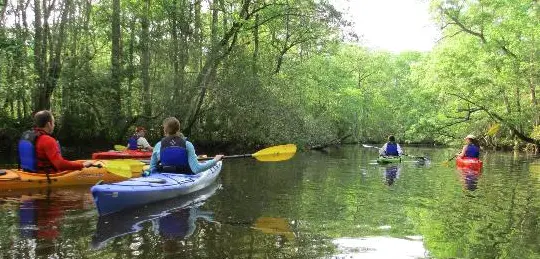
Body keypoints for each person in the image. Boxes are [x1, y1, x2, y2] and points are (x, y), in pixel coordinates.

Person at [18, 110, 92, 173]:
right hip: (47, 176)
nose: (54, 125)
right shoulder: (47, 140)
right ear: (48, 124)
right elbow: (60, 165)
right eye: (53, 123)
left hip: (28, 173)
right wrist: (82, 165)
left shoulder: (29, 136)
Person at [149, 117, 223, 174]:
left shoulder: (159, 145)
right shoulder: (187, 145)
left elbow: (152, 168)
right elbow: (196, 169)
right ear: (178, 129)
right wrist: (215, 160)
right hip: (184, 175)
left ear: (165, 130)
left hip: (164, 176)